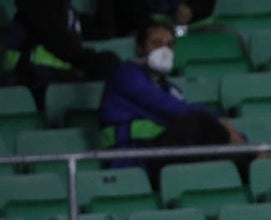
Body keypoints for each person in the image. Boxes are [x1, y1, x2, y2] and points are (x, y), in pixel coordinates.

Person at [98, 21, 245, 186]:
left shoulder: (169, 88)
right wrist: (220, 122)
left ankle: (251, 156)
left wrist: (242, 141)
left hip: (163, 156)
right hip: (133, 158)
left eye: (169, 45)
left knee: (233, 159)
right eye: (156, 43)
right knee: (197, 122)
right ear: (140, 49)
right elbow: (177, 111)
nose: (164, 50)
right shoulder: (126, 75)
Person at [0, 0, 120, 102]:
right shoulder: (40, 4)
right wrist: (96, 64)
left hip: (52, 79)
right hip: (30, 80)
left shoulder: (66, 10)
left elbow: (103, 30)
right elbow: (61, 45)